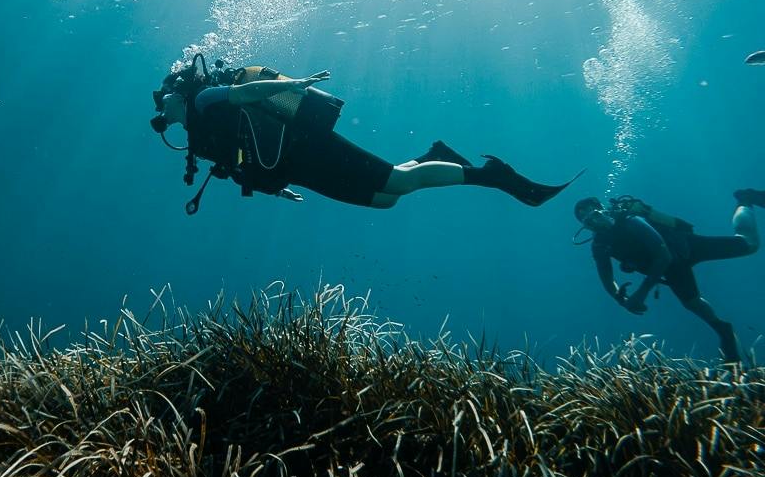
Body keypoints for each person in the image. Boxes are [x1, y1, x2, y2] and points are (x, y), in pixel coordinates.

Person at [150, 54, 576, 216]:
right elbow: (237, 162)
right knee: (385, 200)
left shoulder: (204, 101)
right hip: (296, 171)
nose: (161, 109)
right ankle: (435, 155)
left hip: (308, 147)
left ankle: (494, 175)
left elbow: (246, 92)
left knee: (400, 182)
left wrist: (294, 84)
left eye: (163, 99)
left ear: (178, 92)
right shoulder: (197, 139)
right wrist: (275, 190)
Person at [573, 190, 765, 364]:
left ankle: (744, 201)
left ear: (603, 210)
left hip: (686, 248)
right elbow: (606, 277)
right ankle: (722, 329)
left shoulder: (630, 220)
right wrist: (620, 298)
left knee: (749, 245)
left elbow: (663, 255)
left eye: (596, 215)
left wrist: (640, 294)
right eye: (589, 223)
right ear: (586, 228)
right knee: (692, 302)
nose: (595, 223)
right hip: (672, 269)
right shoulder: (599, 245)